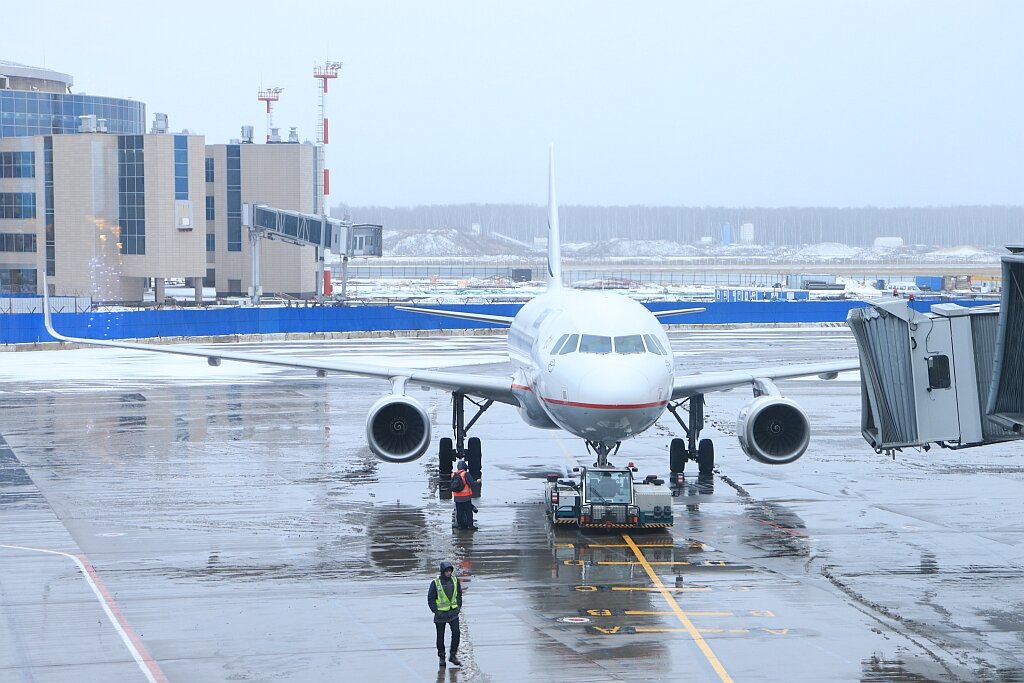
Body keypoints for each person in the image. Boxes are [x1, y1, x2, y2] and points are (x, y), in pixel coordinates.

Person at [427, 560, 463, 668]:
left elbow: (459, 595)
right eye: (446, 571)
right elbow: (430, 599)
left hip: (453, 613)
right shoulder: (435, 583)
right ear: (442, 571)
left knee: (456, 633)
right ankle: (441, 656)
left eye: (450, 571)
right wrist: (436, 611)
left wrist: (458, 607)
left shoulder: (455, 580)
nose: (448, 573)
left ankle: (453, 655)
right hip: (440, 615)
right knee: (440, 637)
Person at [451, 460, 477, 529]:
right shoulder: (465, 474)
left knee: (459, 512)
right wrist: (477, 482)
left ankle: (460, 525)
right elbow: (472, 483)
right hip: (465, 497)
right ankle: (470, 525)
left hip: (457, 498)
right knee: (468, 512)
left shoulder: (453, 475)